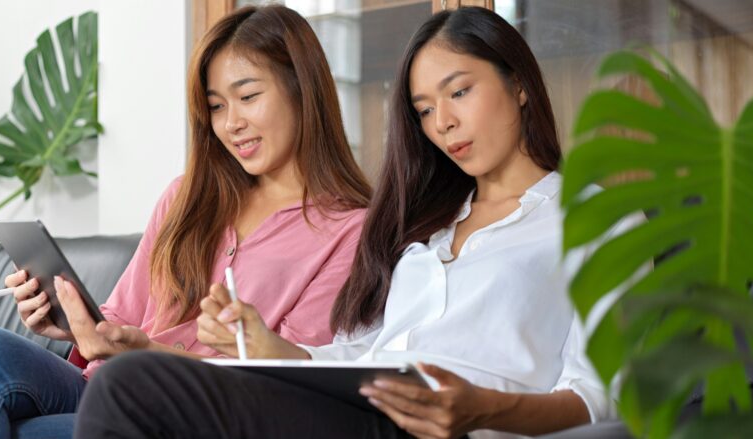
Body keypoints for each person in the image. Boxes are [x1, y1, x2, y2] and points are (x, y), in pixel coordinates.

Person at [74, 7, 639, 439]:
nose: (443, 122)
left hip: (452, 426)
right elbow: (357, 354)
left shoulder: (599, 219)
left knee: (132, 384)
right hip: (362, 406)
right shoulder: (424, 231)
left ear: (518, 83)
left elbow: (601, 394)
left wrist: (482, 407)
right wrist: (265, 343)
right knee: (128, 386)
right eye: (422, 110)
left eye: (459, 92)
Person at [0, 5, 371, 439]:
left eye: (247, 97)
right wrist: (74, 323)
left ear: (302, 89)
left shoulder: (352, 231)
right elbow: (123, 317)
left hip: (191, 415)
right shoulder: (186, 197)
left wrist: (143, 354)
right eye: (216, 106)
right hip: (105, 386)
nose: (230, 124)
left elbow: (288, 382)